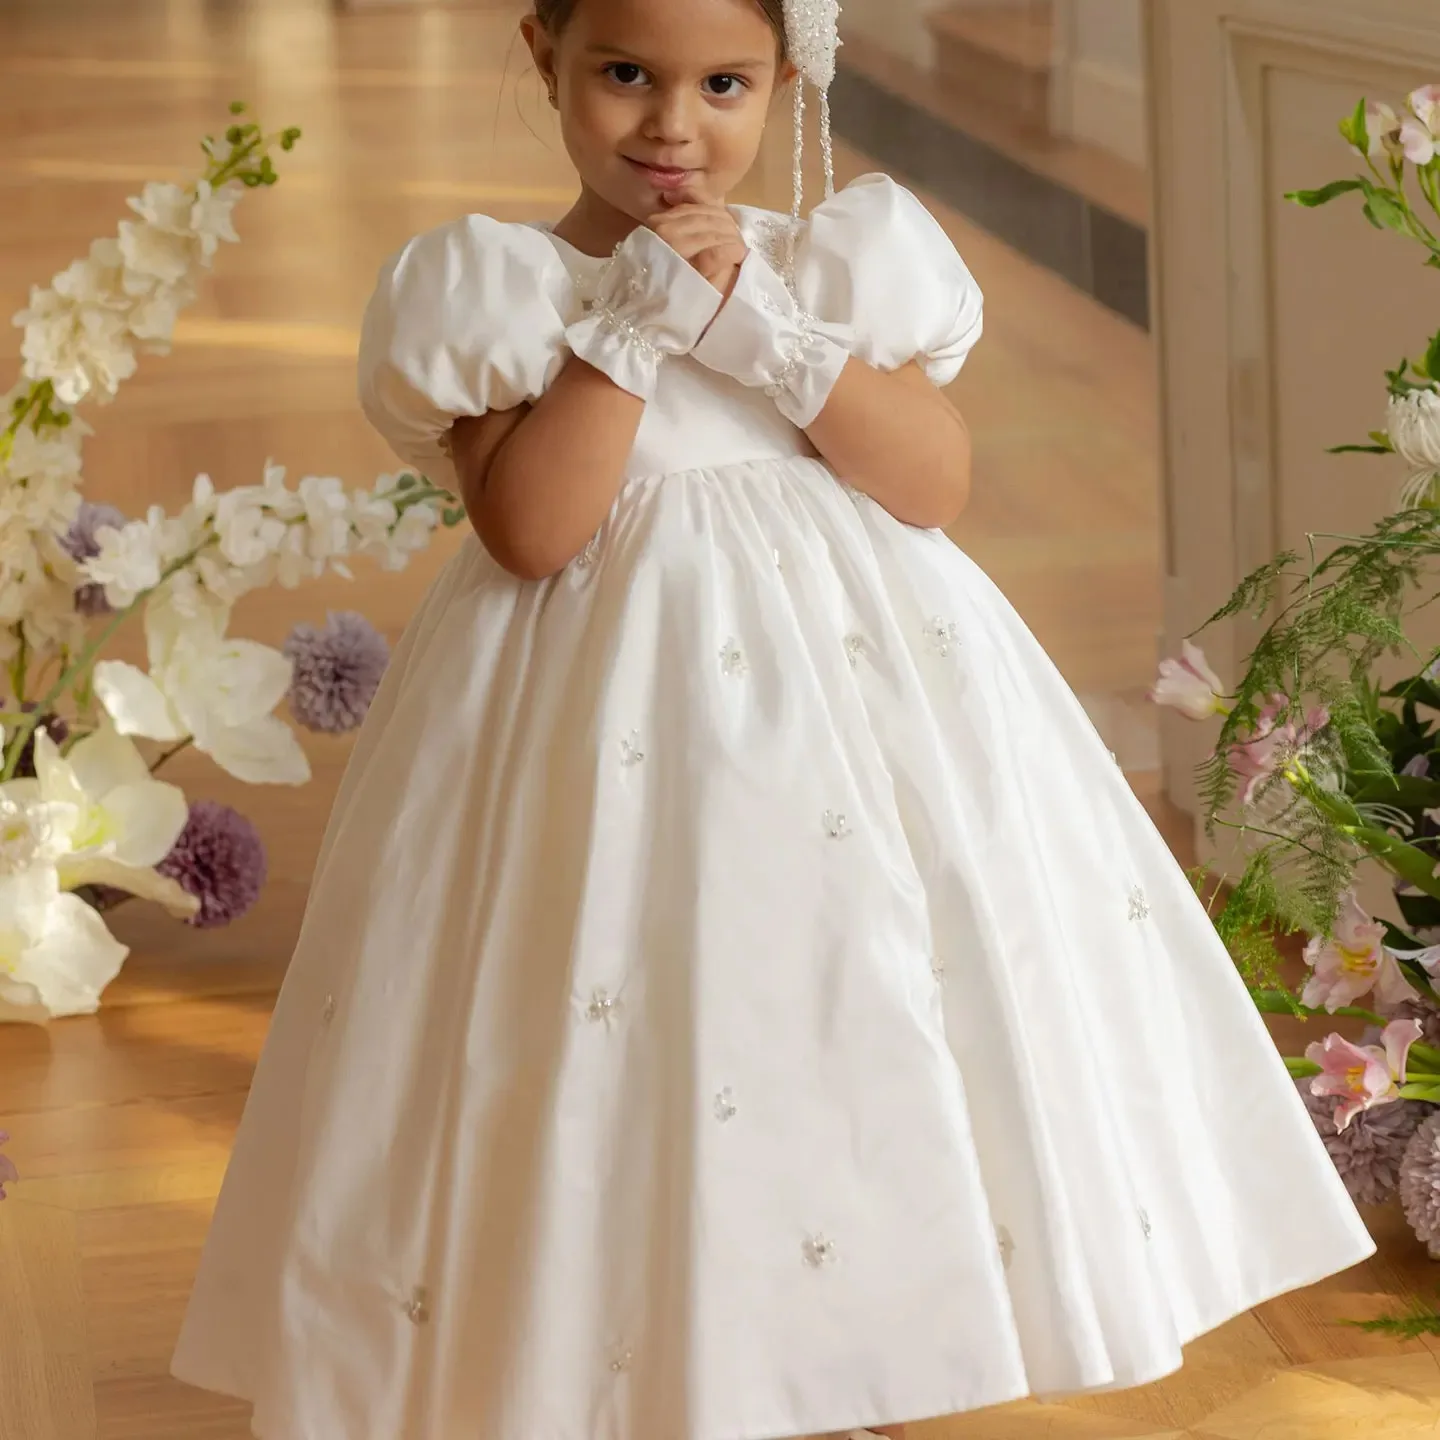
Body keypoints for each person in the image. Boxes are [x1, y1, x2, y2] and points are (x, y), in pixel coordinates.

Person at [170, 0, 1376, 1435]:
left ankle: (838, 1355)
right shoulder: (500, 294)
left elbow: (931, 484)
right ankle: (608, 1354)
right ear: (540, 52)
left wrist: (768, 337)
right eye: (625, 75)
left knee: (846, 1012)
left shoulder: (836, 272)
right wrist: (626, 332)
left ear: (785, 79)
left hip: (851, 744)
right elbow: (535, 531)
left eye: (723, 83)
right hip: (597, 745)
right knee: (622, 1022)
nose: (674, 126)